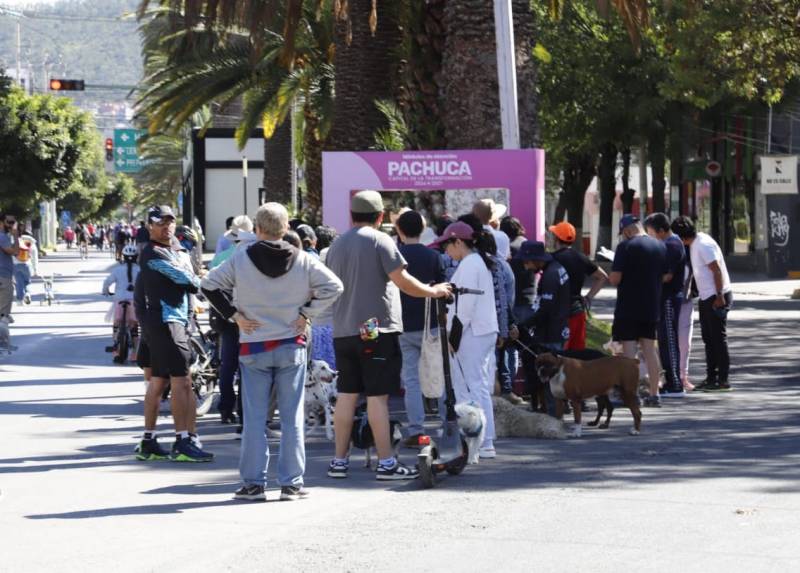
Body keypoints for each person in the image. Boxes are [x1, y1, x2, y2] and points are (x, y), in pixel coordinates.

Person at [201, 202, 343, 501]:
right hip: (292, 344)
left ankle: (253, 483)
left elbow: (208, 284)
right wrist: (307, 313)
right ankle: (291, 484)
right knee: (291, 418)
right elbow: (335, 287)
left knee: (254, 418)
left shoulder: (240, 259)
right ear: (286, 227)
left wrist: (235, 316)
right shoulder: (304, 260)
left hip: (253, 345)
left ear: (257, 229)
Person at [325, 190, 451, 480]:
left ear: (351, 215)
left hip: (343, 330)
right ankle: (386, 464)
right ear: (381, 217)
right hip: (375, 330)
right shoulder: (380, 240)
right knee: (377, 398)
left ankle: (339, 462)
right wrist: (434, 290)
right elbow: (402, 281)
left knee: (346, 395)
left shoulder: (337, 245)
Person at [135, 205, 213, 462]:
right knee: (183, 381)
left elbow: (188, 275)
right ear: (150, 226)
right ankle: (183, 440)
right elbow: (189, 281)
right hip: (168, 322)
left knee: (158, 382)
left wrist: (187, 264)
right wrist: (190, 270)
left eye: (170, 221)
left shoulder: (172, 250)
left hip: (165, 322)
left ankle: (148, 441)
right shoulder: (153, 253)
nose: (166, 226)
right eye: (160, 222)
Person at [431, 221, 499, 458]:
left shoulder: (471, 264)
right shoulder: (474, 262)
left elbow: (465, 308)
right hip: (478, 331)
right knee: (473, 385)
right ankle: (481, 440)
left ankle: (483, 441)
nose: (445, 251)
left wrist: (453, 338)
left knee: (471, 386)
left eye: (447, 246)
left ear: (458, 242)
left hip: (472, 333)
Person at [395, 210, 446, 446]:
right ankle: (448, 424)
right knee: (439, 373)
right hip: (431, 325)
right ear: (423, 228)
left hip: (403, 324)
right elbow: (443, 288)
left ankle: (416, 429)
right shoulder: (433, 256)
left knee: (412, 379)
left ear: (399, 230)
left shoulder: (395, 256)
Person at [609, 215, 668, 407]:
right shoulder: (659, 246)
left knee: (629, 354)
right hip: (651, 306)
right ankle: (654, 394)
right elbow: (666, 275)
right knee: (650, 351)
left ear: (626, 230)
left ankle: (632, 395)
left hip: (629, 307)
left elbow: (615, 279)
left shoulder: (625, 247)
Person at [671, 216, 732, 392]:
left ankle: (723, 379)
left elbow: (716, 270)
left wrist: (719, 296)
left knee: (718, 339)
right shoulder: (695, 243)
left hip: (716, 295)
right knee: (708, 338)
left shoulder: (703, 244)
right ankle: (711, 377)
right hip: (707, 296)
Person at [515, 240, 571, 415]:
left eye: (526, 261)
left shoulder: (550, 276)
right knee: (558, 376)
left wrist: (523, 326)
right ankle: (560, 409)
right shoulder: (556, 268)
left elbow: (546, 309)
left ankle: (553, 417)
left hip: (551, 333)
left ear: (536, 258)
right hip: (558, 327)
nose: (525, 265)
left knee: (549, 377)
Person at [644, 213, 687, 397]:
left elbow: (667, 275)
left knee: (668, 340)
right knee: (663, 340)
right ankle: (671, 380)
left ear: (661, 231)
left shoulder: (672, 245)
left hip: (669, 298)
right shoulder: (667, 244)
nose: (649, 236)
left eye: (651, 232)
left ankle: (675, 383)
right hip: (664, 297)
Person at [549, 221, 608, 351]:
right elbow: (603, 276)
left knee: (559, 357)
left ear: (556, 238)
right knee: (577, 355)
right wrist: (588, 297)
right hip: (577, 311)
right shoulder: (581, 258)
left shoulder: (552, 259)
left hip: (559, 314)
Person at [103, 244, 140, 363]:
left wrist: (106, 291)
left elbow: (107, 282)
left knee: (117, 324)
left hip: (119, 299)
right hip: (134, 300)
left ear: (123, 256)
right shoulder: (140, 270)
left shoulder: (117, 270)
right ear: (136, 257)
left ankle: (116, 348)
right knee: (134, 327)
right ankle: (134, 353)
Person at [0, 212, 20, 321]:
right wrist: (16, 236)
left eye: (14, 222)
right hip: (3, 276)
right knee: (3, 314)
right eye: (10, 222)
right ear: (2, 222)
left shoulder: (4, 237)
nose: (12, 225)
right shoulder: (1, 236)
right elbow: (16, 252)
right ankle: (3, 336)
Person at [13, 233, 38, 305]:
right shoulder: (31, 244)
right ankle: (27, 293)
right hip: (27, 265)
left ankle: (19, 300)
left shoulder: (16, 243)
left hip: (16, 265)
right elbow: (34, 258)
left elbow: (12, 255)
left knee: (18, 283)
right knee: (27, 281)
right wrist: (35, 269)